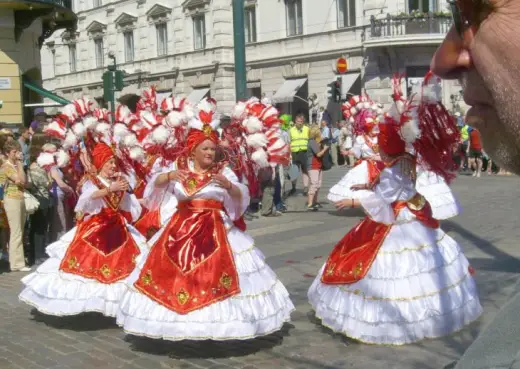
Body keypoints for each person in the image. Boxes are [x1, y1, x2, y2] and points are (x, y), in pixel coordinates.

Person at [308, 76, 482, 345]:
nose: (379, 146)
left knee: (384, 265)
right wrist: (367, 182)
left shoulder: (394, 166)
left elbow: (383, 200)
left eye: (382, 142)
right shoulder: (406, 159)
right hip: (415, 212)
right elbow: (391, 184)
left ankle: (396, 321)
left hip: (399, 219)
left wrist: (354, 201)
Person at [116, 98, 294, 341]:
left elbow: (241, 195)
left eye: (213, 149)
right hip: (179, 229)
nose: (210, 153)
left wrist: (230, 186)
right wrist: (167, 176)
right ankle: (175, 327)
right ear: (194, 151)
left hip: (215, 229)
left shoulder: (223, 172)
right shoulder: (179, 170)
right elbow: (152, 189)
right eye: (206, 149)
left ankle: (219, 326)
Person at [19, 142, 148, 317]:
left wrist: (127, 190)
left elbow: (129, 205)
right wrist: (110, 189)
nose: (112, 166)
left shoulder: (119, 180)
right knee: (87, 265)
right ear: (101, 163)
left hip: (118, 227)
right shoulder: (93, 180)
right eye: (109, 162)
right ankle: (86, 303)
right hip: (97, 226)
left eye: (113, 163)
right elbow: (87, 198)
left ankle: (115, 303)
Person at [327, 97, 384, 203]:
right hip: (366, 165)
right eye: (372, 128)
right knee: (363, 184)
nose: (374, 130)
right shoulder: (361, 138)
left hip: (380, 164)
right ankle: (365, 203)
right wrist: (347, 152)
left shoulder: (379, 138)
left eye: (375, 128)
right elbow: (356, 151)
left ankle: (378, 203)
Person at [0, 140, 30, 272]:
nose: (17, 154)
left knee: (20, 231)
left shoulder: (15, 166)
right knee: (16, 231)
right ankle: (17, 263)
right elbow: (21, 181)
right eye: (14, 152)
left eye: (18, 151)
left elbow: (26, 183)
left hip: (20, 197)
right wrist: (19, 163)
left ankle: (18, 260)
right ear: (7, 153)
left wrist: (19, 166)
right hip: (11, 199)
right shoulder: (6, 167)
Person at [26, 134, 53, 265]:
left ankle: (35, 254)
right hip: (41, 198)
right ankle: (38, 255)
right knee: (40, 228)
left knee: (36, 227)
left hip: (36, 197)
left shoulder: (31, 165)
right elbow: (48, 184)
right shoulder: (37, 167)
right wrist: (49, 173)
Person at [306, 126, 329, 211]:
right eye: (319, 131)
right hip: (313, 165)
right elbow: (318, 154)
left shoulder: (315, 142)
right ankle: (310, 203)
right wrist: (325, 149)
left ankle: (315, 201)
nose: (320, 133)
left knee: (318, 185)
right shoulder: (312, 142)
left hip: (318, 165)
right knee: (314, 184)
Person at [289, 112, 309, 196]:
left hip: (305, 152)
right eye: (298, 121)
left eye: (301, 121)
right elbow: (288, 142)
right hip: (295, 153)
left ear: (303, 121)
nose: (299, 123)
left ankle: (305, 188)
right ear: (295, 121)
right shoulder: (291, 130)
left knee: (305, 171)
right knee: (294, 171)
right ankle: (293, 187)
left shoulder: (307, 129)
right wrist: (289, 154)